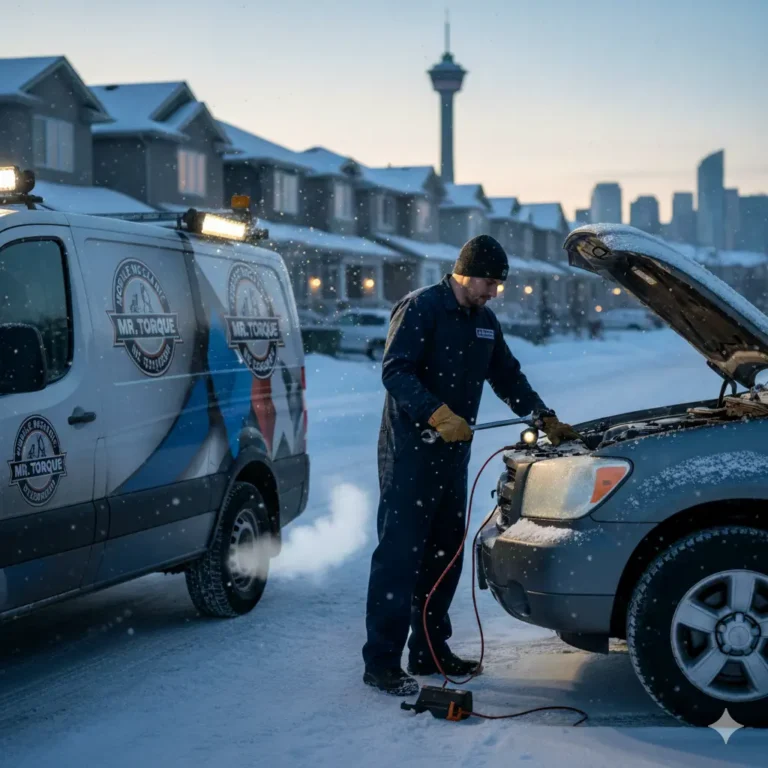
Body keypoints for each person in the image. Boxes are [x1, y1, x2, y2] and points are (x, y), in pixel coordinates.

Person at [362, 234, 580, 696]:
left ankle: (429, 651)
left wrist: (540, 415)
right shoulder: (421, 308)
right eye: (488, 282)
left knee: (444, 557)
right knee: (400, 558)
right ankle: (381, 662)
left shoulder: (483, 323)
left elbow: (506, 375)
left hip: (452, 457)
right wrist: (435, 412)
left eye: (499, 285)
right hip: (411, 454)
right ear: (465, 272)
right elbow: (395, 370)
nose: (493, 292)